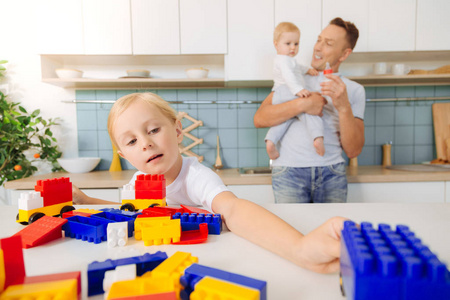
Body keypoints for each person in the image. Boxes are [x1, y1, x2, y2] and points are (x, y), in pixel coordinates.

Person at [72, 92, 346, 274]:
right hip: (165, 263)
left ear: (178, 131)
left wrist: (300, 249)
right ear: (124, 155)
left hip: (213, 261)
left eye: (153, 129)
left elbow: (234, 210)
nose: (146, 143)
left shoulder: (195, 176)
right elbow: (126, 211)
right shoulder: (138, 182)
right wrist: (85, 201)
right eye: (132, 141)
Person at [254, 17, 366, 204]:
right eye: (318, 40)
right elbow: (260, 118)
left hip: (332, 173)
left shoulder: (353, 90)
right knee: (292, 232)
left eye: (328, 43)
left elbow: (353, 150)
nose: (318, 48)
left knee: (333, 233)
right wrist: (305, 104)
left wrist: (344, 107)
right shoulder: (294, 80)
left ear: (344, 54)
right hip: (289, 173)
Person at [266, 22, 322, 160]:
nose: (293, 47)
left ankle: (271, 141)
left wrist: (307, 70)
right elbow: (288, 76)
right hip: (287, 90)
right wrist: (299, 90)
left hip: (280, 93)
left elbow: (297, 68)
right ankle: (317, 137)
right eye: (288, 43)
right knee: (310, 112)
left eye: (296, 44)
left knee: (285, 119)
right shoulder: (284, 60)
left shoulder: (288, 60)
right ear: (276, 44)